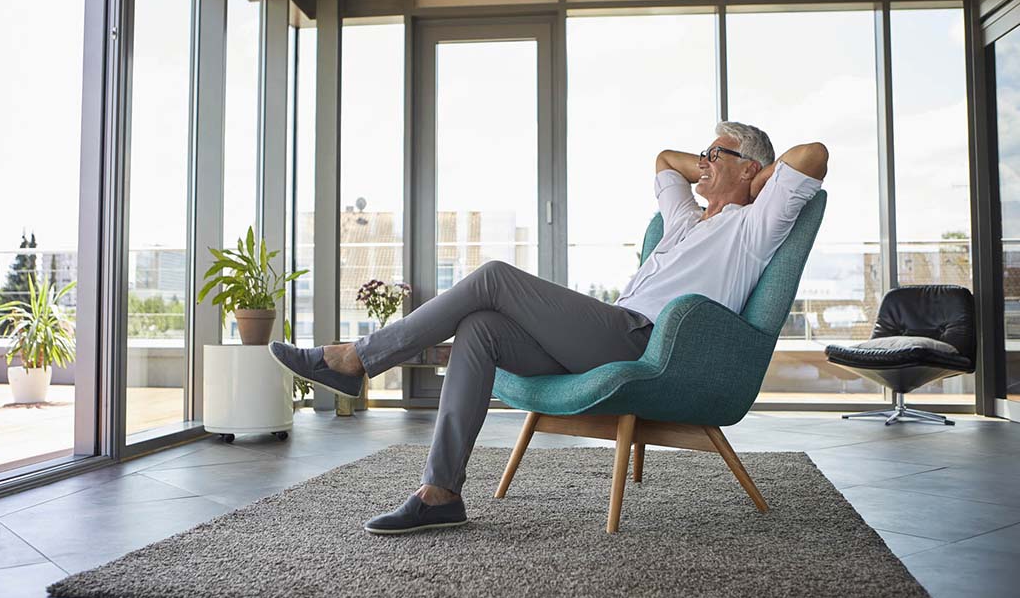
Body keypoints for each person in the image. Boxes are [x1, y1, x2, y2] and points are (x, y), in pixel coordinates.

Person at [269, 120, 828, 535]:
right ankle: (440, 494)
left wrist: (753, 182)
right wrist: (715, 163)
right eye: (702, 153)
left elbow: (813, 154)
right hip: (604, 335)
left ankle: (357, 360)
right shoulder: (684, 217)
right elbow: (662, 158)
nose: (701, 162)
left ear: (752, 170)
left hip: (646, 339)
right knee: (482, 327)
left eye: (715, 154)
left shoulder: (755, 225)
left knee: (492, 278)